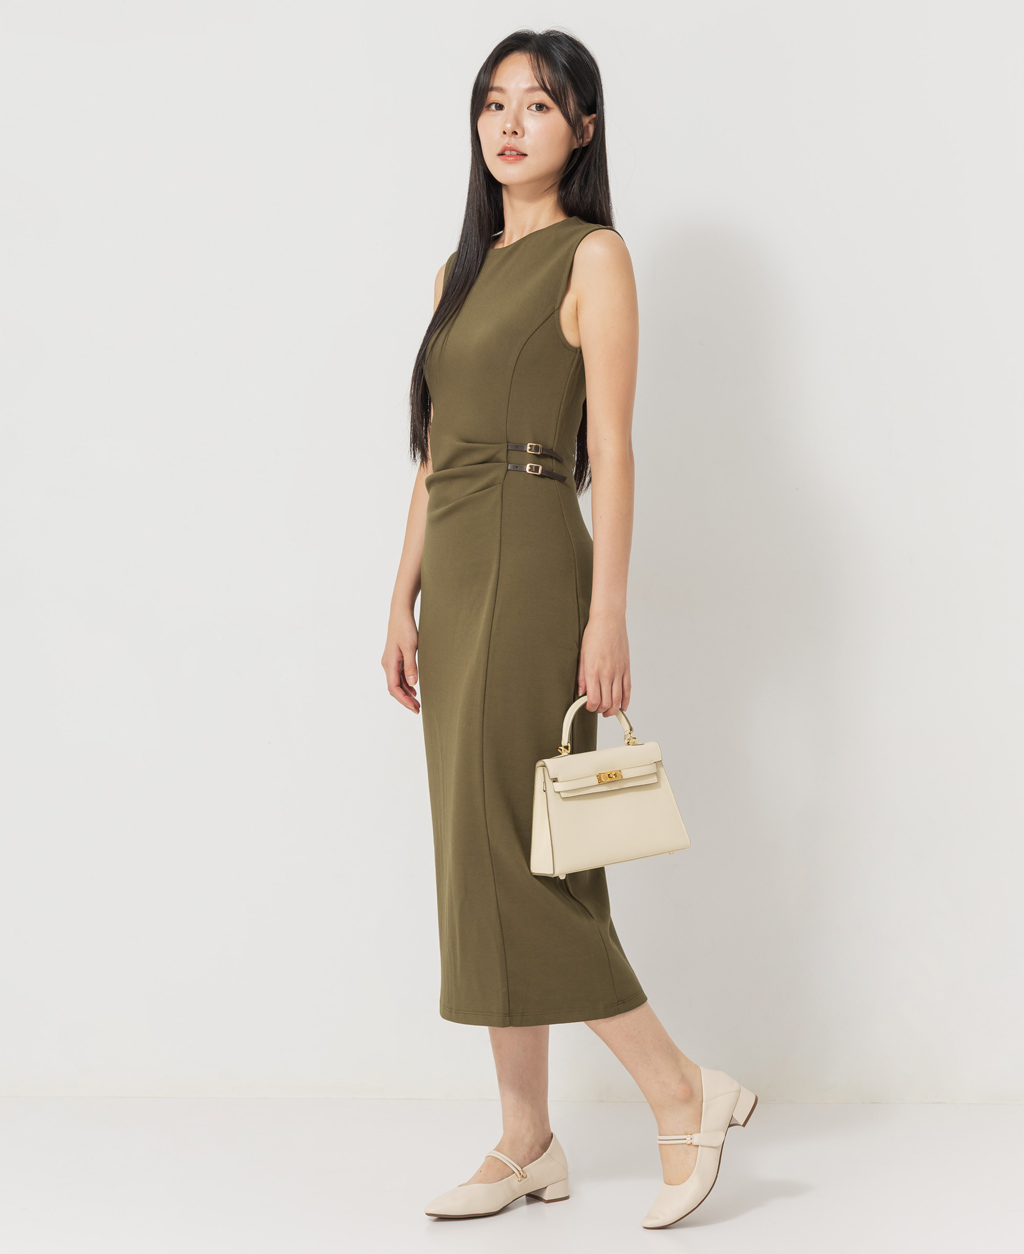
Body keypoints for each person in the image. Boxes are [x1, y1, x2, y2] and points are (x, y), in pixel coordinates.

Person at [381, 28, 756, 1229]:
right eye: (493, 103)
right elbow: (433, 457)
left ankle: (679, 1086)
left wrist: (608, 613)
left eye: (537, 105)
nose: (509, 124)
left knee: (521, 853)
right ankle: (526, 1140)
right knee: (474, 850)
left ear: (582, 129)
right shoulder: (459, 273)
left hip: (536, 562)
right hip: (456, 574)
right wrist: (399, 597)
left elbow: (617, 449)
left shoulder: (595, 256)